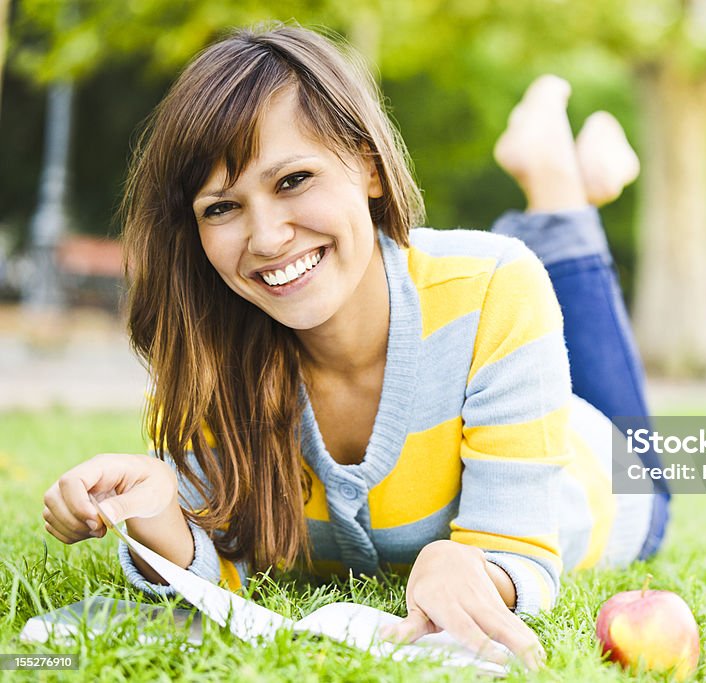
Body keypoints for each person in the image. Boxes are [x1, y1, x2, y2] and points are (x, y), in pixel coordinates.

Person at [40, 24, 668, 669]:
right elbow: (219, 573)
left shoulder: (492, 288)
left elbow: (520, 553)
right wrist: (157, 510)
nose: (267, 236)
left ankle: (556, 181)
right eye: (221, 208)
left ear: (368, 164)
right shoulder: (210, 355)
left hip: (608, 472)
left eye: (292, 181)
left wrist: (470, 565)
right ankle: (569, 180)